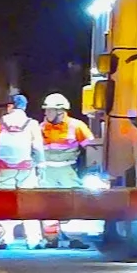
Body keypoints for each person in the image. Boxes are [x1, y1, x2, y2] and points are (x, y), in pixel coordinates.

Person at [33, 91, 93, 245]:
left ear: (60, 111)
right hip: (47, 171)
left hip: (68, 170)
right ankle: (51, 238)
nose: (46, 113)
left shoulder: (77, 126)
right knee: (48, 205)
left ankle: (74, 237)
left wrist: (91, 169)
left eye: (49, 110)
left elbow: (92, 149)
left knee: (74, 202)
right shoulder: (40, 127)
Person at [0, 93, 40, 249]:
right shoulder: (32, 123)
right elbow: (37, 148)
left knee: (4, 203)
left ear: (10, 106)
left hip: (3, 169)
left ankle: (6, 239)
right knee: (29, 203)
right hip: (26, 169)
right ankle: (33, 240)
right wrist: (40, 166)